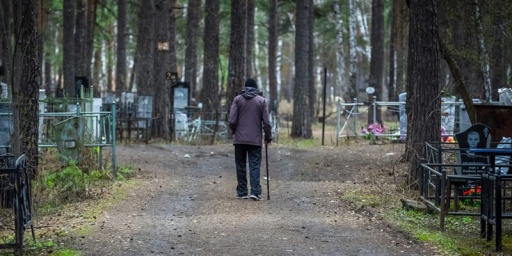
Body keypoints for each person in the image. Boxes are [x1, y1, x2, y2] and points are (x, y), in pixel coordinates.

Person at [228, 78, 272, 201]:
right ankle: (255, 192)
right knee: (254, 165)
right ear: (256, 88)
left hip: (239, 139)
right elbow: (267, 123)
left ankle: (242, 192)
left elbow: (231, 120)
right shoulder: (262, 101)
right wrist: (268, 137)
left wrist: (235, 130)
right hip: (255, 140)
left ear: (245, 87)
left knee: (240, 165)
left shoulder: (237, 100)